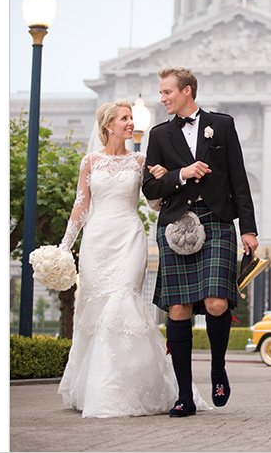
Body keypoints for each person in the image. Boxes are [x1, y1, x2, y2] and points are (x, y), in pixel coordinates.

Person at [57, 100, 209, 418]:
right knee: (96, 309)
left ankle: (121, 387)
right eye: (124, 118)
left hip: (129, 238)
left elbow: (154, 203)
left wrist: (164, 177)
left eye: (130, 118)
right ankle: (96, 387)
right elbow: (80, 206)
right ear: (109, 125)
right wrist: (63, 247)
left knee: (123, 303)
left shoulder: (140, 161)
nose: (130, 123)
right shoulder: (90, 161)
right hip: (97, 241)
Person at [142, 67, 259, 418]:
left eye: (167, 92)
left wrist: (248, 229)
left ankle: (218, 368)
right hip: (177, 226)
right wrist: (182, 173)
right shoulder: (159, 134)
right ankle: (184, 396)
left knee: (217, 303)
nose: (162, 98)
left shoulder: (221, 125)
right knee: (177, 309)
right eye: (161, 93)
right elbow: (149, 189)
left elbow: (239, 178)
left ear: (187, 91)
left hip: (218, 221)